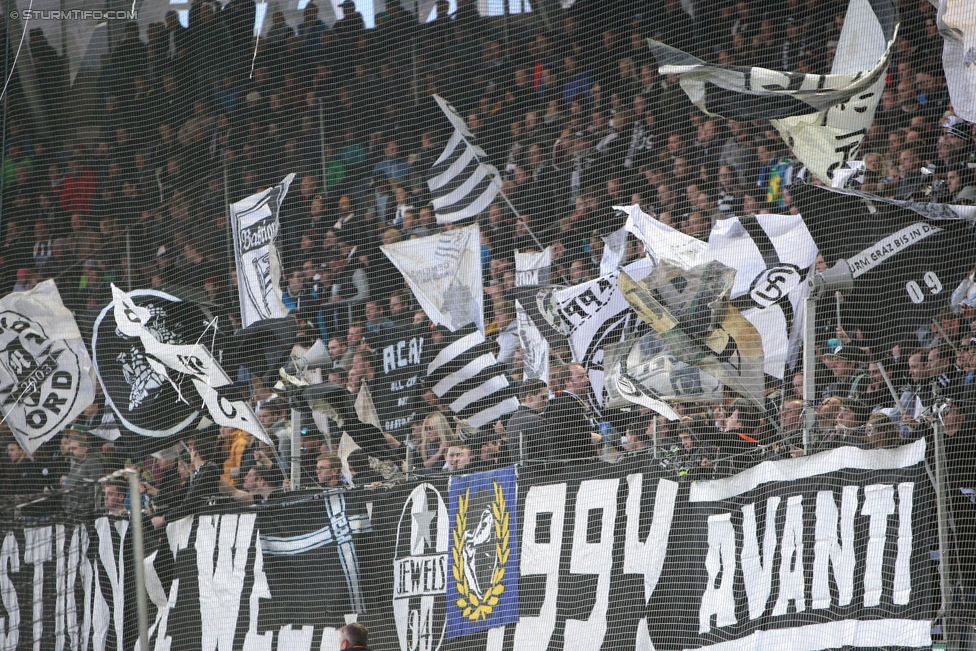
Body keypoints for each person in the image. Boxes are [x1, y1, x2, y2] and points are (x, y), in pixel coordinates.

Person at [152, 435, 220, 529]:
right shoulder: (196, 473)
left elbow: (189, 504)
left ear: (195, 453)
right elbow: (179, 497)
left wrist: (163, 519)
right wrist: (155, 493)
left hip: (205, 525)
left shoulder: (208, 470)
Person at [63, 432, 104, 517]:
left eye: (74, 448)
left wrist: (87, 509)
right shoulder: (76, 465)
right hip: (73, 512)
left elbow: (96, 488)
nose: (71, 451)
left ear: (85, 449)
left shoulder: (92, 462)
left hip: (87, 513)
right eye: (70, 449)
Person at [506, 379, 549, 460]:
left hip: (519, 470)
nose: (546, 401)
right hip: (539, 470)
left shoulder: (511, 421)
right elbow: (549, 450)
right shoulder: (537, 420)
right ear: (529, 397)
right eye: (543, 397)